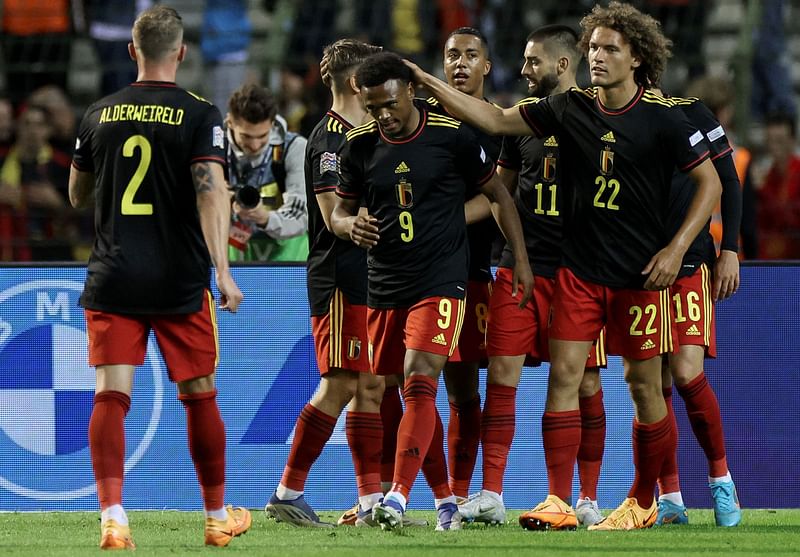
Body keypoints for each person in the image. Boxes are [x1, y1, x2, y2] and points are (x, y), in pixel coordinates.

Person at [406, 1, 722, 531]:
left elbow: (712, 182)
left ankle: (643, 498)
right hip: (580, 273)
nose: (596, 56)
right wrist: (424, 79)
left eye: (609, 49)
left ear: (637, 58)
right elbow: (495, 119)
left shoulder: (665, 117)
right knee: (563, 381)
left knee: (647, 390)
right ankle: (558, 499)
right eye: (593, 47)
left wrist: (679, 250)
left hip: (641, 275)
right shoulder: (568, 107)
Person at [68, 6, 249, 549]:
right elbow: (211, 189)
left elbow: (78, 195)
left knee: (110, 396)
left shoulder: (98, 112)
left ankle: (114, 518)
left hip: (115, 274)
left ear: (131, 51)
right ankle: (217, 517)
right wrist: (223, 270)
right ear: (182, 52)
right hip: (178, 277)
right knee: (200, 395)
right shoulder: (199, 113)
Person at [331, 51, 533, 531]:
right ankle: (444, 501)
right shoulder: (358, 147)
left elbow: (499, 195)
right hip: (384, 284)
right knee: (401, 391)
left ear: (412, 92)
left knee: (421, 377)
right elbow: (338, 214)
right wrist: (348, 225)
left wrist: (520, 260)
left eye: (391, 104)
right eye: (374, 107)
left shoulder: (452, 136)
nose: (384, 116)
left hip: (442, 279)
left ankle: (397, 497)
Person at [457, 24, 608, 529]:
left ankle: (578, 498)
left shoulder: (595, 117)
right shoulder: (521, 125)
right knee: (502, 376)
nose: (523, 70)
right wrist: (514, 252)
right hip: (520, 270)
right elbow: (501, 195)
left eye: (533, 62)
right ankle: (493, 494)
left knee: (582, 381)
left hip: (580, 274)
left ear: (562, 66)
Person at [264, 38, 386, 529]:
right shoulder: (330, 138)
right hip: (339, 275)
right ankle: (286, 492)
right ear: (358, 82)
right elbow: (333, 214)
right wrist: (351, 223)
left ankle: (371, 503)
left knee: (370, 384)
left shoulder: (368, 131)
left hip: (370, 276)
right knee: (341, 382)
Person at [653, 91, 743, 527]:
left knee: (686, 372)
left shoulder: (689, 112)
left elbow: (728, 177)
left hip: (690, 260)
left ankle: (721, 479)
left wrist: (730, 249)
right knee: (651, 382)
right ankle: (669, 497)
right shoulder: (603, 117)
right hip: (635, 265)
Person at [427, 26, 502, 509]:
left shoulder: (496, 123)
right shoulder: (423, 117)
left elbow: (500, 195)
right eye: (452, 54)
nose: (460, 63)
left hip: (472, 268)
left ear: (486, 66)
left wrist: (444, 220)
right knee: (408, 381)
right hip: (417, 271)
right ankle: (395, 492)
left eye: (470, 55)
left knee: (463, 385)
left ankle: (457, 493)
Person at [225, 83, 310, 262]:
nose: (255, 145)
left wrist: (265, 218)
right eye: (246, 136)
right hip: (232, 260)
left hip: (290, 262)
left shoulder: (293, 148)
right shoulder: (215, 150)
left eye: (262, 136)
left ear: (272, 124)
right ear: (230, 123)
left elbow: (301, 215)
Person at [0, 104, 72, 261]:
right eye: (26, 123)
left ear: (48, 130)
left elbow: (82, 218)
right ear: (16, 127)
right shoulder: (2, 160)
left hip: (52, 253)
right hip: (10, 251)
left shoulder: (64, 165)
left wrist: (57, 204)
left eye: (39, 125)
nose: (32, 131)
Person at [756, 112, 800, 259]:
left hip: (794, 259)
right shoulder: (767, 175)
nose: (774, 147)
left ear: (792, 141)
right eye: (770, 141)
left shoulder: (797, 174)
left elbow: (792, 223)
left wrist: (763, 191)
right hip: (768, 258)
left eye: (780, 141)